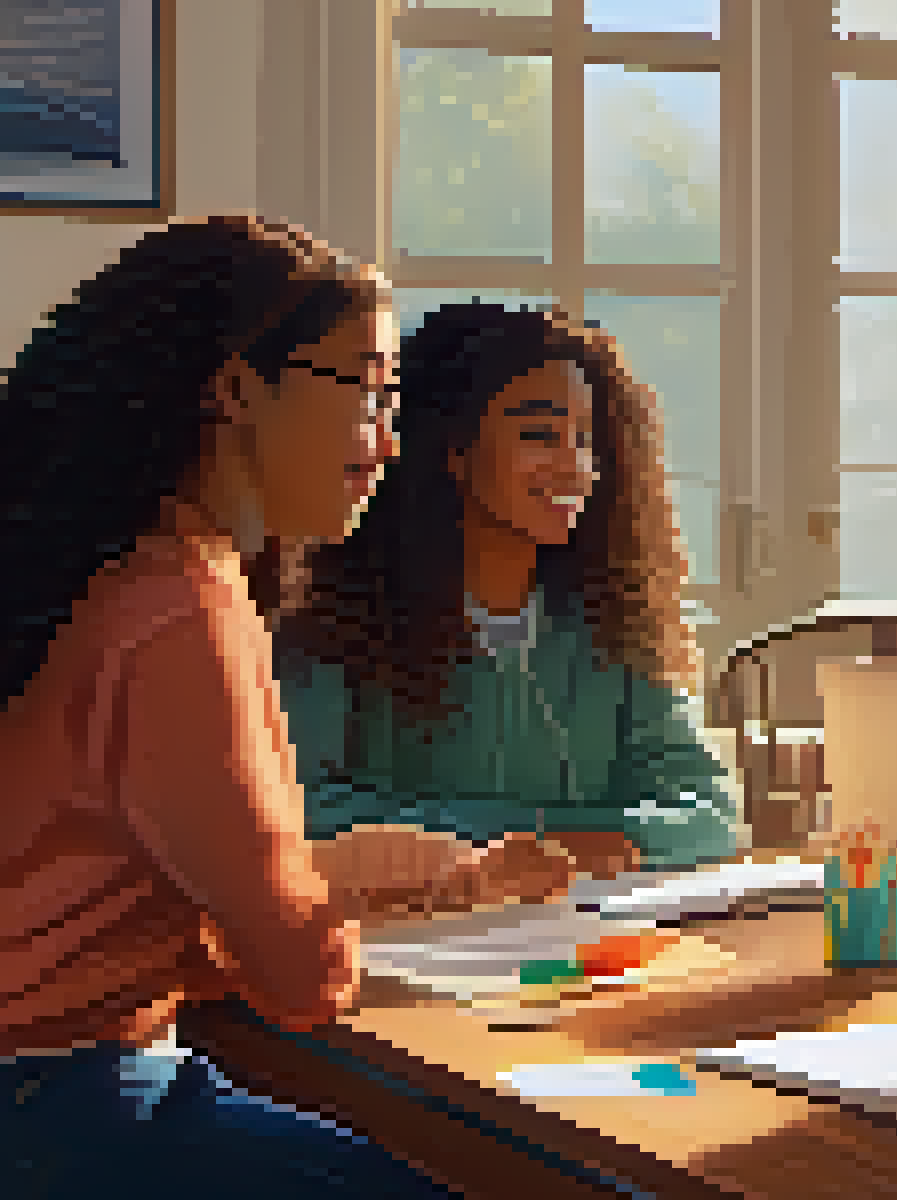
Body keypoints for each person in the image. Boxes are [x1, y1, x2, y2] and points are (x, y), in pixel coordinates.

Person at [0, 215, 461, 1195]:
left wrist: (309, 888)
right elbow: (303, 985)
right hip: (62, 1106)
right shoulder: (181, 611)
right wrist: (335, 889)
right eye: (367, 392)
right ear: (238, 389)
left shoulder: (100, 578)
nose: (388, 443)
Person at [276, 301, 738, 898]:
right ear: (453, 451)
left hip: (582, 941)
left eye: (585, 442)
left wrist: (602, 842)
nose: (573, 468)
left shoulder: (616, 624)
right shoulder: (326, 623)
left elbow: (709, 815)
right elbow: (302, 810)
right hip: (406, 940)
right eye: (540, 436)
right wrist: (533, 839)